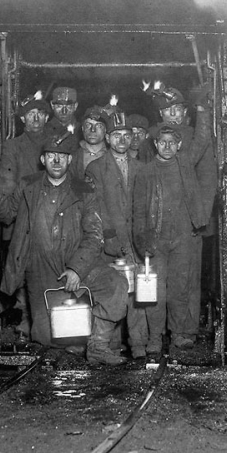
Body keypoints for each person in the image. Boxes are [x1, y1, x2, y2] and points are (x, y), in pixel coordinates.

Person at [0, 132, 129, 366]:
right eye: (52, 156)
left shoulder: (84, 189)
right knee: (45, 337)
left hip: (76, 263)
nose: (57, 161)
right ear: (43, 160)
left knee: (116, 285)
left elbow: (94, 235)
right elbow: (7, 214)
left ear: (70, 160)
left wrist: (77, 269)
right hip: (39, 269)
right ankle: (71, 345)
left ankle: (98, 346)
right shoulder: (27, 185)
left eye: (62, 156)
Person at [133, 89, 212, 353]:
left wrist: (202, 111)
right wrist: (142, 240)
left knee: (179, 288)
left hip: (182, 238)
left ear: (179, 145)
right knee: (155, 291)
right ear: (155, 144)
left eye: (172, 142)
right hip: (155, 240)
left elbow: (201, 140)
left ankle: (179, 334)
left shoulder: (185, 163)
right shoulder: (145, 172)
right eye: (162, 142)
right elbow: (139, 211)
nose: (167, 146)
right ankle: (155, 337)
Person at [0, 91, 50, 341]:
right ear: (23, 119)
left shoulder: (57, 143)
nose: (36, 118)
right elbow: (7, 187)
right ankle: (26, 319)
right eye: (31, 114)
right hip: (22, 218)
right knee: (22, 275)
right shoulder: (13, 147)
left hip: (51, 220)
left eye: (41, 114)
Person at [85, 105, 146, 357]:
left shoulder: (142, 168)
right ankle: (108, 345)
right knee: (116, 289)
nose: (122, 140)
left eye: (127, 135)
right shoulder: (94, 169)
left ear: (132, 138)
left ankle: (139, 344)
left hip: (136, 240)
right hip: (110, 242)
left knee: (139, 292)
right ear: (107, 138)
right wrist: (109, 238)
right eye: (116, 135)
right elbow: (90, 209)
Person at [72, 105, 107, 178]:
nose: (93, 130)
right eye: (88, 125)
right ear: (82, 128)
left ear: (105, 130)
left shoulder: (113, 156)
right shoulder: (73, 157)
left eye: (99, 126)